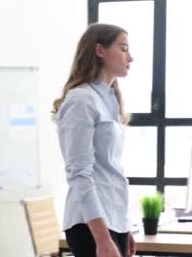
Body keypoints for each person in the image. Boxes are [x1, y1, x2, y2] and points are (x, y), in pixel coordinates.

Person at [52, 23, 136, 257]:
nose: (130, 57)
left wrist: (123, 228)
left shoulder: (109, 100)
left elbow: (109, 171)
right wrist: (102, 237)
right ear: (100, 50)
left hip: (112, 222)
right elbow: (79, 173)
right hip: (90, 226)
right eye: (123, 48)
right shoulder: (82, 100)